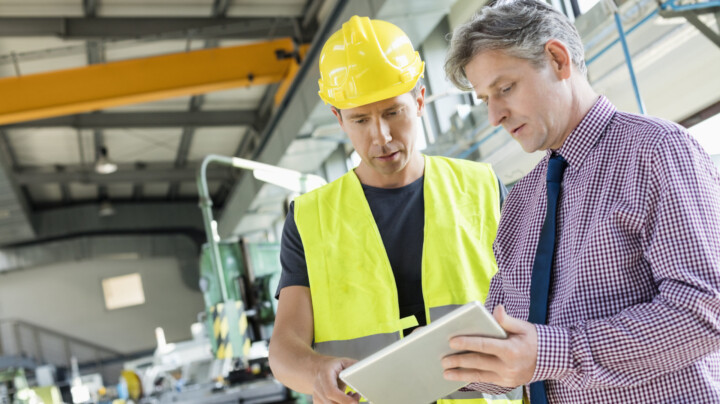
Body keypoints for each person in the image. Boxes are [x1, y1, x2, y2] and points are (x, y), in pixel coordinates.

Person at [441, 0, 720, 402]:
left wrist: (556, 352)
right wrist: (408, 375)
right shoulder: (522, 202)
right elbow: (513, 349)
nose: (495, 116)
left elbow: (704, 310)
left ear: (557, 59)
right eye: (486, 99)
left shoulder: (656, 151)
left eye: (505, 88)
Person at [268, 15, 522, 404]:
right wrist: (315, 371)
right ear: (338, 119)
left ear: (419, 101)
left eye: (392, 113)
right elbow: (285, 347)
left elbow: (535, 303)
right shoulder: (309, 219)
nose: (380, 137)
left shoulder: (482, 187)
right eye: (360, 119)